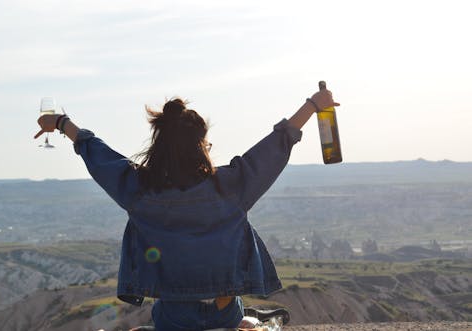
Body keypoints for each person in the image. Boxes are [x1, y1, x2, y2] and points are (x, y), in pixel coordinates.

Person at [34, 88, 339, 331]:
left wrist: (60, 122)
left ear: (159, 143)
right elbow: (276, 146)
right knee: (234, 318)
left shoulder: (139, 190)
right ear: (201, 144)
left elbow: (97, 153)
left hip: (172, 317)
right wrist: (314, 104)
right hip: (224, 311)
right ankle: (250, 322)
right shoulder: (230, 187)